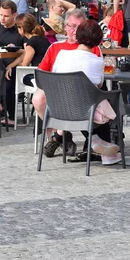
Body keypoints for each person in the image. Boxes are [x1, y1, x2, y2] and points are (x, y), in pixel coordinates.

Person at [32, 10, 102, 157]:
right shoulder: (55, 48)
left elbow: (96, 83)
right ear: (65, 27)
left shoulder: (93, 48)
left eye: (79, 27)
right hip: (56, 90)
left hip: (83, 94)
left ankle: (58, 136)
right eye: (71, 26)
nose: (74, 31)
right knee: (38, 99)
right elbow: (41, 73)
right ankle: (62, 135)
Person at [52, 19, 121, 165]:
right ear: (98, 40)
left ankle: (97, 140)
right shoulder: (97, 61)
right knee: (102, 97)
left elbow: (55, 75)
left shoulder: (61, 54)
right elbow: (100, 84)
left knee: (92, 99)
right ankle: (101, 144)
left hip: (59, 111)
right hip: (85, 114)